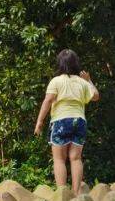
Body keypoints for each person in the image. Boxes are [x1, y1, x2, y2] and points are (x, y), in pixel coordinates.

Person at [34, 49, 99, 191]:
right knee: (76, 158)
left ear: (60, 63)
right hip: (79, 121)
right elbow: (95, 96)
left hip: (60, 121)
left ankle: (62, 194)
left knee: (59, 159)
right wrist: (89, 81)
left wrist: (39, 122)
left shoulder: (56, 81)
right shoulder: (82, 83)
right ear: (76, 64)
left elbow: (48, 100)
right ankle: (76, 195)